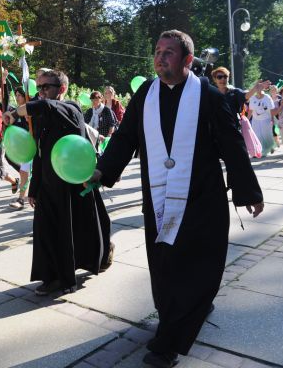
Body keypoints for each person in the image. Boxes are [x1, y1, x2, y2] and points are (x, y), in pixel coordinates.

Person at [90, 30, 263, 367]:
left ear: (187, 60)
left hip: (202, 202)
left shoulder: (210, 98)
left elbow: (232, 146)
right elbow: (125, 138)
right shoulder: (145, 94)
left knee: (197, 269)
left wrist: (248, 191)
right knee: (166, 269)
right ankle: (177, 316)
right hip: (159, 201)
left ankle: (168, 342)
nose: (160, 57)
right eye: (157, 50)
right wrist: (102, 170)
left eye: (169, 52)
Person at [3, 70, 113, 296]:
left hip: (71, 185)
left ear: (61, 89)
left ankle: (68, 276)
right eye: (38, 88)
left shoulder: (71, 109)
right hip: (48, 185)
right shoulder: (43, 115)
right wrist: (32, 188)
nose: (40, 92)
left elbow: (45, 106)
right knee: (46, 233)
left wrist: (16, 112)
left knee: (73, 233)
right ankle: (52, 277)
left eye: (46, 87)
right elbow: (39, 153)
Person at [8, 88, 31, 210]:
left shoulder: (31, 109)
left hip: (36, 146)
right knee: (24, 173)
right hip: (25, 149)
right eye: (16, 95)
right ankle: (21, 199)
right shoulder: (15, 112)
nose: (17, 98)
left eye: (19, 95)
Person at [248, 86, 275, 156]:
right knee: (257, 135)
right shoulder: (252, 98)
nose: (258, 90)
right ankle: (261, 151)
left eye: (260, 88)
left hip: (266, 119)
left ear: (262, 89)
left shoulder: (267, 97)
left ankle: (268, 148)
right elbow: (250, 110)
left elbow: (271, 109)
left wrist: (272, 118)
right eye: (257, 88)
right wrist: (247, 119)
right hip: (255, 120)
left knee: (266, 134)